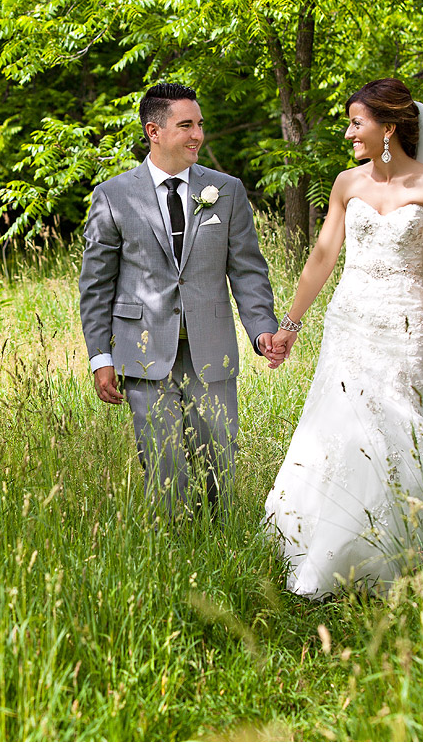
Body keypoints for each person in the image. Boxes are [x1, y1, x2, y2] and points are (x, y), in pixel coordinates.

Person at [263, 78, 423, 598]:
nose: (349, 133)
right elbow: (323, 256)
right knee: (339, 424)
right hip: (348, 322)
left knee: (398, 430)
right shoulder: (346, 184)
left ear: (389, 128)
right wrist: (289, 326)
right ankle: (326, 551)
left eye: (357, 123)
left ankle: (397, 553)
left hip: (405, 325)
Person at [79, 82, 284, 521]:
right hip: (143, 349)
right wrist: (100, 356)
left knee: (218, 462)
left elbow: (247, 268)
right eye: (186, 125)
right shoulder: (113, 195)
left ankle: (221, 541)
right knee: (162, 463)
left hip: (210, 345)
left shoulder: (225, 190)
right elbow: (96, 285)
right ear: (154, 130)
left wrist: (262, 327)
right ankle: (175, 548)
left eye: (200, 125)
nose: (197, 135)